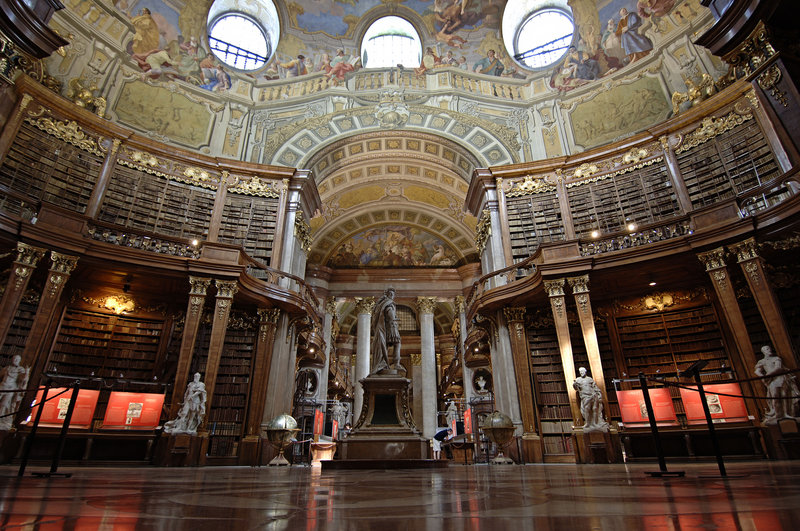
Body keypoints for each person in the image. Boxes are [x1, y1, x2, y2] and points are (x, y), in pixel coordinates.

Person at [755, 345, 800, 424]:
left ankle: (786, 413)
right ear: (763, 351)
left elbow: (778, 368)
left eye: (769, 348)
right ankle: (777, 414)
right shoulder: (762, 361)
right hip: (772, 380)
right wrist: (763, 377)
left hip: (780, 377)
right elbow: (757, 371)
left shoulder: (776, 358)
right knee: (775, 395)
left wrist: (768, 375)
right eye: (766, 349)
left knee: (784, 395)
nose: (769, 350)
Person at [370, 287, 402, 374]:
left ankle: (383, 362)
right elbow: (390, 313)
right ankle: (396, 364)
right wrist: (394, 318)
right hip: (391, 328)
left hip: (384, 329)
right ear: (387, 295)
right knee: (397, 343)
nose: (392, 295)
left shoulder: (382, 304)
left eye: (393, 294)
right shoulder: (389, 303)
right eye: (390, 294)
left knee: (385, 346)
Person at [573, 367, 608, 432]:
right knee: (587, 409)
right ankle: (588, 423)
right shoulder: (578, 380)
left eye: (582, 371)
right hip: (585, 395)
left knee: (595, 409)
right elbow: (575, 388)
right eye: (580, 372)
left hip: (593, 395)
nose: (581, 373)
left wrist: (599, 395)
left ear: (585, 371)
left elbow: (595, 387)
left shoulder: (590, 379)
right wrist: (575, 384)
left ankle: (595, 423)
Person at [0, 355, 29, 430]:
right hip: (2, 387)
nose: (15, 360)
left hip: (11, 389)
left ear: (19, 361)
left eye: (17, 359)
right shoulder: (6, 368)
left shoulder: (20, 370)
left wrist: (26, 373)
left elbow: (23, 380)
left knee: (4, 404)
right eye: (14, 359)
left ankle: (1, 418)